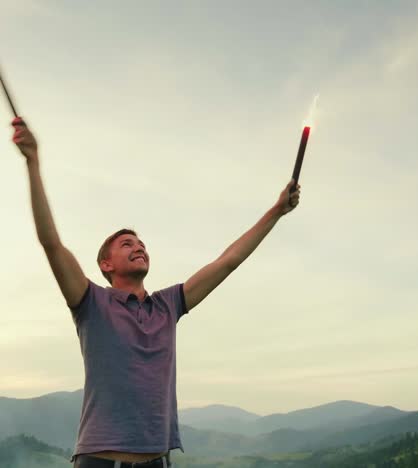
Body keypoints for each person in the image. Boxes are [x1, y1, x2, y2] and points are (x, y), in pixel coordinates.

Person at [11, 116, 301, 468]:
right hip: (100, 460)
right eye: (126, 243)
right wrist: (33, 162)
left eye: (142, 243)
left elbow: (229, 261)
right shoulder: (91, 302)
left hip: (157, 461)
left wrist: (276, 211)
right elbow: (51, 243)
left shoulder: (168, 305)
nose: (139, 247)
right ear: (106, 264)